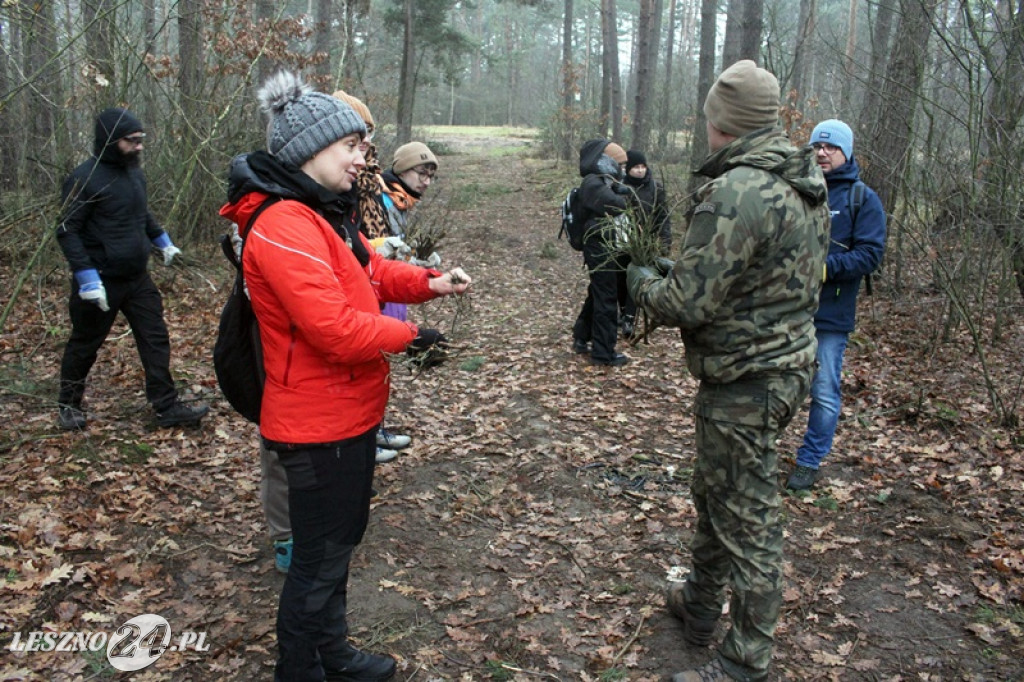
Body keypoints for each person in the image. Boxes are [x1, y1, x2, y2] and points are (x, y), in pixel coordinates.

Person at [219, 70, 471, 682]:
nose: (363, 158)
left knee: (336, 550)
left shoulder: (322, 213)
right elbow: (332, 327)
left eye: (363, 147)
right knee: (317, 561)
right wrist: (411, 335)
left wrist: (428, 285)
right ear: (311, 150)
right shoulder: (283, 224)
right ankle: (299, 669)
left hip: (348, 414)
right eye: (352, 147)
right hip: (313, 425)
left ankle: (333, 654)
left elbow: (372, 275)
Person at [626, 60, 829, 682]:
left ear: (721, 120)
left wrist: (640, 281)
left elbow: (688, 303)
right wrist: (678, 266)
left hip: (750, 378)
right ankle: (699, 603)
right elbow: (758, 277)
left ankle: (745, 661)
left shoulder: (740, 190)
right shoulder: (798, 181)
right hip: (780, 367)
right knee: (716, 492)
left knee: (748, 516)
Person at [55, 107, 209, 430]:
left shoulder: (134, 173)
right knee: (85, 344)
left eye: (141, 140)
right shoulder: (83, 178)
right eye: (132, 141)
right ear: (111, 141)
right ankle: (68, 406)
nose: (139, 147)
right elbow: (67, 230)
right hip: (99, 281)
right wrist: (87, 278)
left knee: (155, 337)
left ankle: (166, 406)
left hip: (137, 279)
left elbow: (141, 214)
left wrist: (163, 241)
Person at [786, 119, 886, 491]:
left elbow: (870, 255)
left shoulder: (863, 198)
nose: (822, 153)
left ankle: (809, 461)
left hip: (831, 314)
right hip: (788, 308)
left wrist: (824, 269)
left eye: (831, 147)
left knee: (824, 389)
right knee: (777, 379)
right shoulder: (795, 191)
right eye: (816, 146)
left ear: (846, 152)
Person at [571, 139, 631, 366]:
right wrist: (625, 194)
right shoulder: (593, 183)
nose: (623, 169)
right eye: (620, 164)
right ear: (607, 163)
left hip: (604, 245)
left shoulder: (602, 182)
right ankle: (603, 353)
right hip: (599, 247)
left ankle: (581, 336)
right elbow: (617, 205)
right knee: (606, 297)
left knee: (598, 293)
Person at [618, 149, 672, 339]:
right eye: (635, 167)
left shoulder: (655, 188)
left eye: (643, 167)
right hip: (623, 240)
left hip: (646, 243)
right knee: (620, 279)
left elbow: (663, 217)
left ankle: (629, 320)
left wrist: (664, 241)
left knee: (638, 279)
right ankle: (622, 311)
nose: (640, 171)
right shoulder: (620, 187)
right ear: (628, 169)